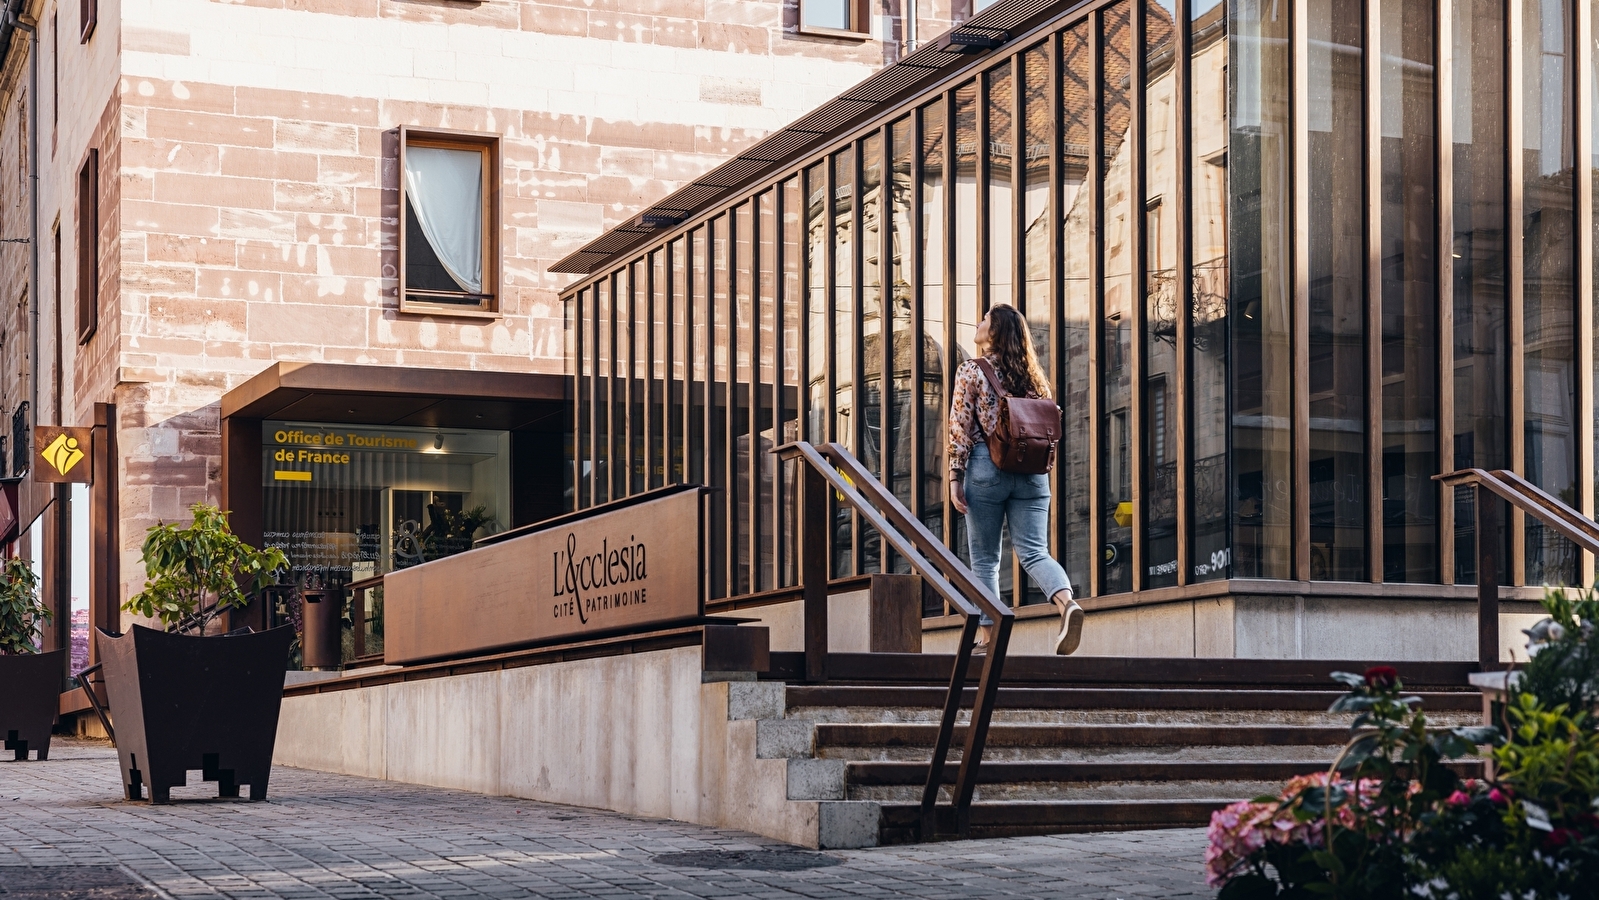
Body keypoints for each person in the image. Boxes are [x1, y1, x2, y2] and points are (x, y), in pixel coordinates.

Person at [948, 304, 1083, 654]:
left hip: (986, 468)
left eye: (985, 319)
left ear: (994, 332)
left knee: (985, 560)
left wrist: (954, 475)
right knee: (1035, 552)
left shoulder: (971, 370)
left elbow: (960, 426)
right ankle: (1067, 604)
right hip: (1032, 472)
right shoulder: (1033, 376)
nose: (978, 322)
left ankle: (989, 639)